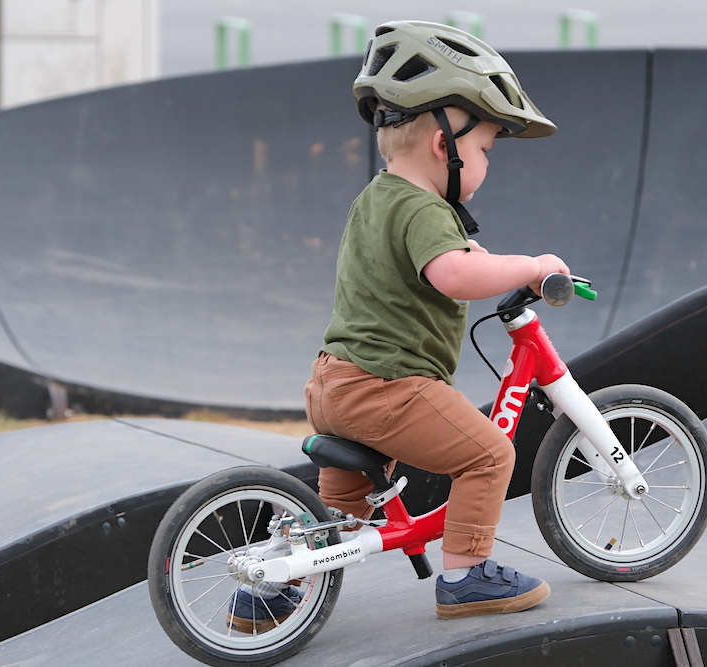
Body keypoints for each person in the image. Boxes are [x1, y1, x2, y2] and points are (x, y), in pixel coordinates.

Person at [230, 20, 569, 627]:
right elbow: (454, 275)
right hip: (388, 388)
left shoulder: (378, 198)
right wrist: (535, 265)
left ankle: (272, 590)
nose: (486, 162)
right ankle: (467, 575)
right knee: (490, 455)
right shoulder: (425, 209)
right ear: (444, 146)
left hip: (335, 384)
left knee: (342, 516)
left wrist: (482, 261)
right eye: (485, 149)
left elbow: (441, 264)